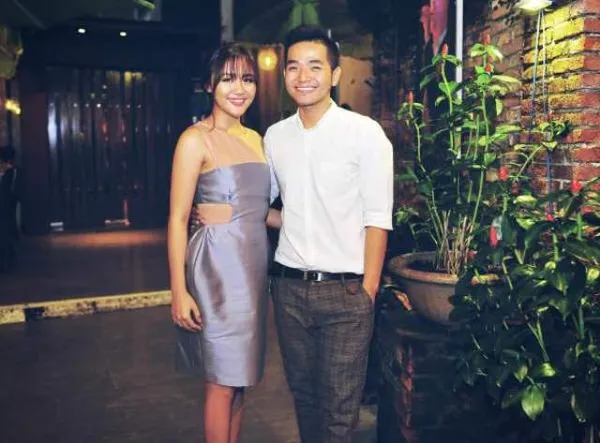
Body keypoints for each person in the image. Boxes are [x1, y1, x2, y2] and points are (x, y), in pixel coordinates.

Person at [264, 25, 394, 443]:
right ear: (285, 75)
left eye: (315, 66)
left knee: (340, 411)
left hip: (346, 293)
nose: (303, 76)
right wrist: (220, 210)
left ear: (335, 74)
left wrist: (367, 290)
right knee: (304, 401)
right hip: (288, 289)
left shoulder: (364, 134)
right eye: (293, 67)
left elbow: (378, 218)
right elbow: (268, 207)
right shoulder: (275, 137)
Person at [167, 42, 270, 443]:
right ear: (210, 85)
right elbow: (178, 218)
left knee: (240, 379)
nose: (239, 88)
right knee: (221, 381)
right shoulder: (195, 139)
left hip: (252, 268)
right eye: (228, 79)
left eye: (247, 79)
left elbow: (258, 210)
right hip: (215, 269)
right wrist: (179, 291)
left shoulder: (258, 140)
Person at [0, 146, 19, 272]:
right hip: (7, 206)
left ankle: (7, 262)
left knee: (5, 234)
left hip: (5, 206)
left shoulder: (10, 171)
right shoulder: (13, 171)